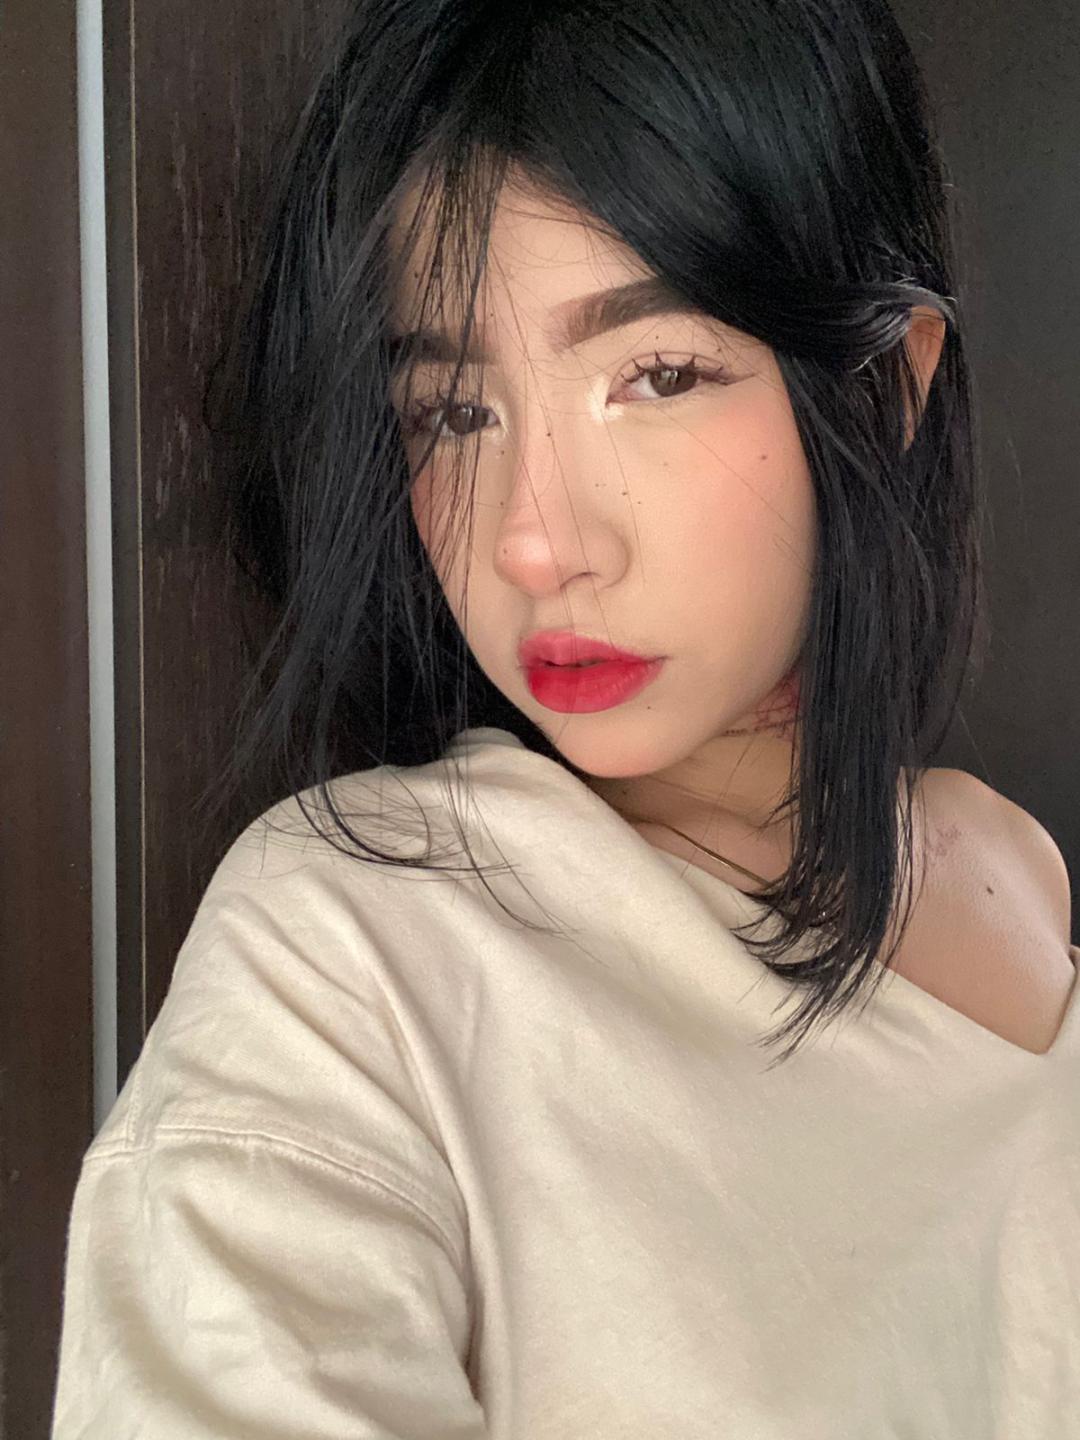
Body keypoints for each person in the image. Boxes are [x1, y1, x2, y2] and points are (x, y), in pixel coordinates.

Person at [51, 1, 1079, 1436]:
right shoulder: (352, 958)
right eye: (453, 412)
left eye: (656, 376)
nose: (537, 543)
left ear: (884, 388)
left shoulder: (1013, 871)